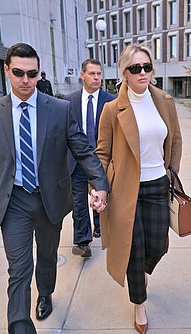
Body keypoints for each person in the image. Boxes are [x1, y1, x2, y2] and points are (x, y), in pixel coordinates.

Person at [0, 43, 108, 334]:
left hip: (50, 198)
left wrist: (100, 183)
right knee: (18, 269)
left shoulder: (60, 109)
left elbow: (82, 149)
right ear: (7, 71)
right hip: (14, 201)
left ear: (39, 73)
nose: (26, 80)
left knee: (47, 256)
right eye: (19, 73)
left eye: (32, 73)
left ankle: (46, 292)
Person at [95, 43, 182, 334]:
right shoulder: (112, 109)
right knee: (133, 249)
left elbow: (176, 140)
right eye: (136, 68)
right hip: (126, 190)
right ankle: (139, 303)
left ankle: (143, 276)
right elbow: (102, 153)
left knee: (158, 245)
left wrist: (172, 171)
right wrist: (101, 187)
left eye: (147, 67)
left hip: (159, 184)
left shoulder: (164, 101)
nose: (142, 72)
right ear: (125, 73)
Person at [66, 59, 115, 258]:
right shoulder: (69, 102)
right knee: (78, 202)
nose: (96, 78)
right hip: (77, 160)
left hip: (101, 160)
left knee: (100, 196)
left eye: (99, 74)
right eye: (92, 74)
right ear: (82, 75)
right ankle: (82, 241)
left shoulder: (111, 101)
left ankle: (100, 226)